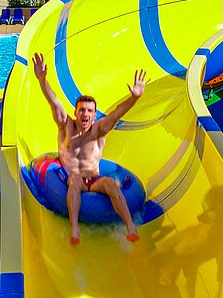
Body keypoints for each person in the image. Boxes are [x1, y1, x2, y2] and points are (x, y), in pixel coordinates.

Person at [32, 52, 143, 245]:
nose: (85, 114)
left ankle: (130, 227)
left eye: (90, 111)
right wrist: (42, 80)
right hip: (71, 178)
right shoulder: (66, 126)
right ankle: (74, 228)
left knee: (110, 183)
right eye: (82, 110)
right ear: (75, 112)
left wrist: (134, 98)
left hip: (94, 179)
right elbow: (54, 102)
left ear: (94, 115)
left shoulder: (99, 129)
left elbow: (116, 114)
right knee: (75, 180)